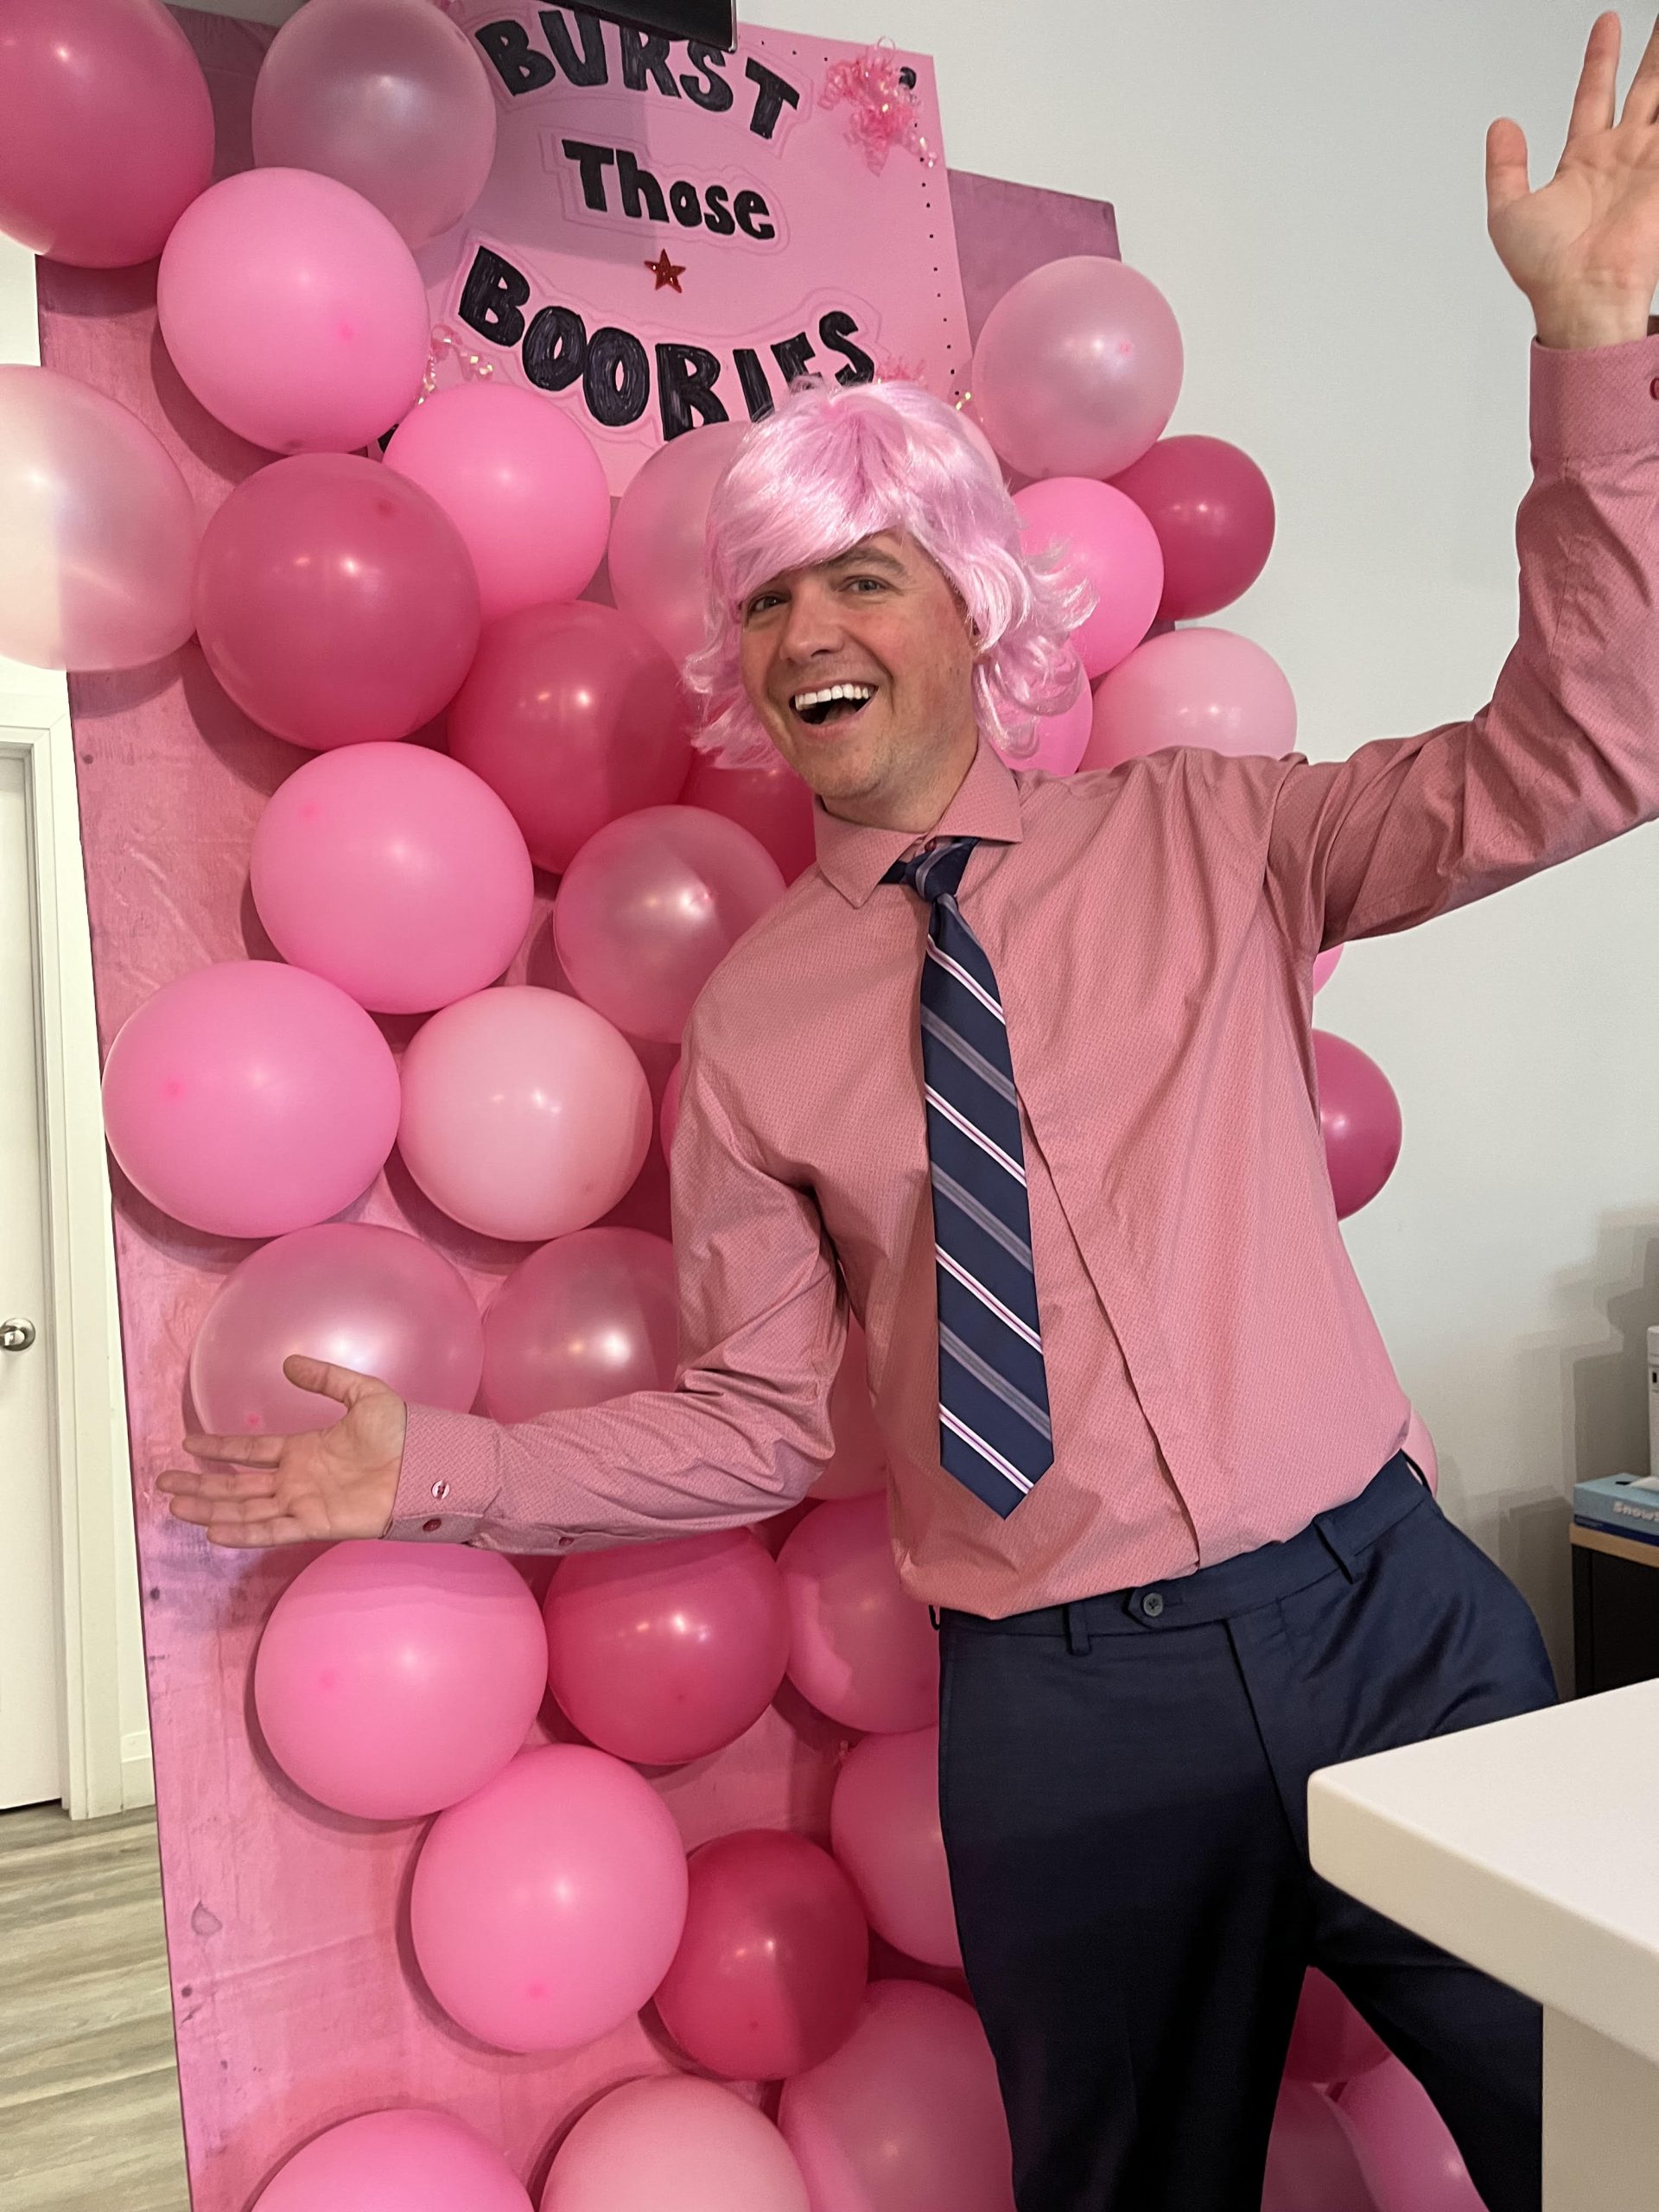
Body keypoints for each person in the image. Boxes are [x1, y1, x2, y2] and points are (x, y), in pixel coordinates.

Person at [160, 15, 1659, 2208]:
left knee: (1608, 2122)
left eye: (859, 572)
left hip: (1393, 1617)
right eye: (763, 597)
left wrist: (1600, 361)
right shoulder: (762, 1024)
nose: (803, 627)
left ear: (972, 604)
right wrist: (444, 1469)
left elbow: (1593, 747)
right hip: (1064, 1722)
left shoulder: (1210, 831)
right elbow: (774, 1417)